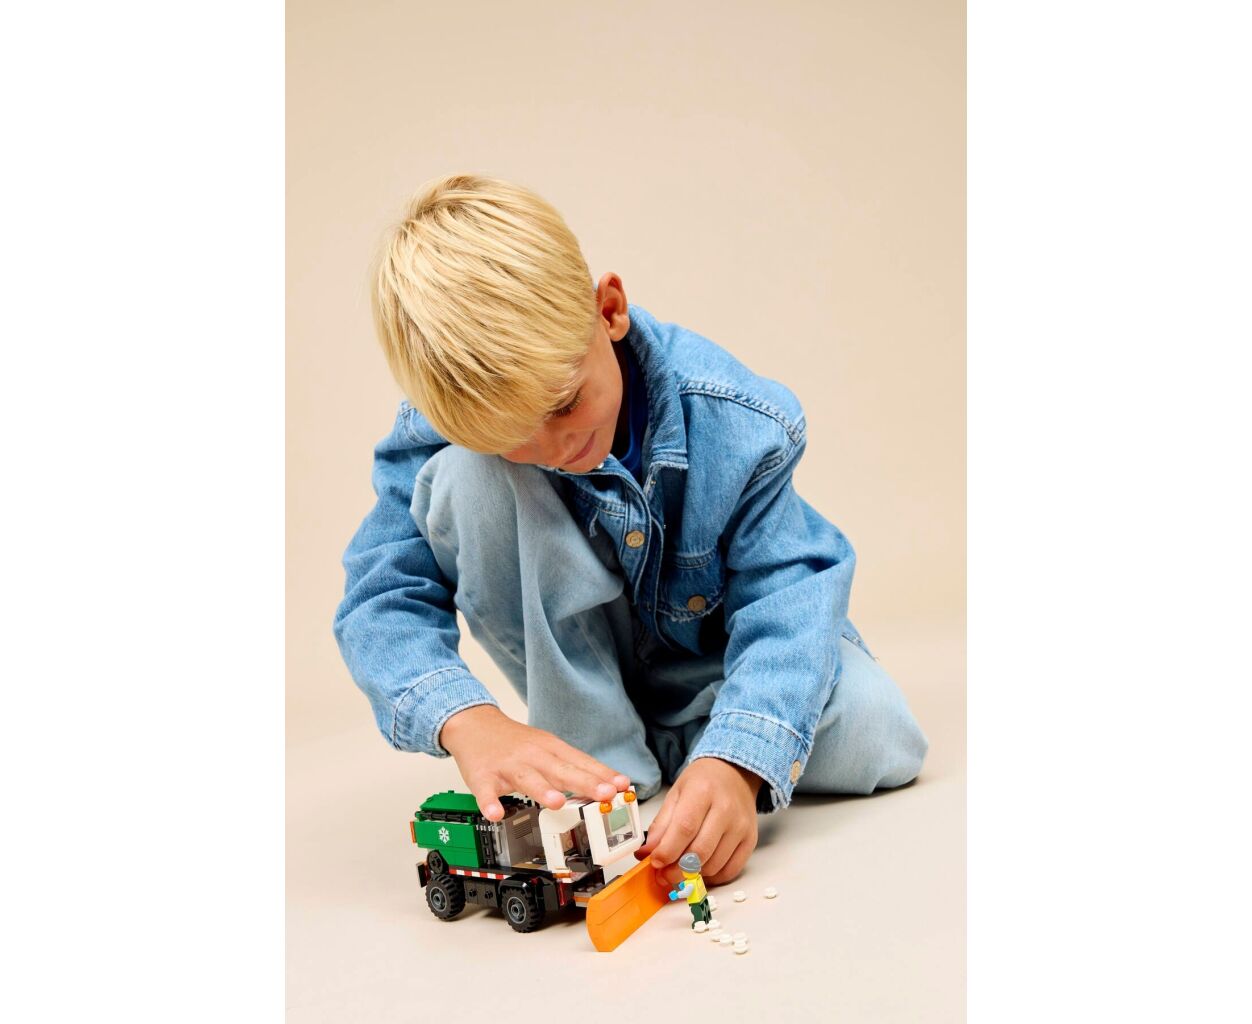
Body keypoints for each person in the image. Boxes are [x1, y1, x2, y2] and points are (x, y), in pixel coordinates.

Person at [333, 173, 928, 890]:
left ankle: (690, 750)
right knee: (467, 474)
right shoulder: (449, 428)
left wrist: (739, 759)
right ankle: (602, 750)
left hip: (712, 672)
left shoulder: (737, 418)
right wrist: (467, 720)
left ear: (608, 310)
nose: (554, 447)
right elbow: (380, 597)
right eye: (512, 437)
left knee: (878, 731)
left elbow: (792, 591)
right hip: (579, 675)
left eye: (564, 403)